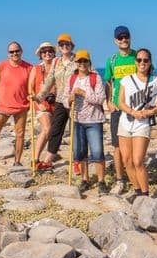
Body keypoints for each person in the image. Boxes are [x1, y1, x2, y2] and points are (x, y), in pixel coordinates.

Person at [117, 48, 157, 200]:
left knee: (138, 160)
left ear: (150, 62)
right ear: (135, 62)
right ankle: (137, 191)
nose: (142, 63)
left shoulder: (156, 81)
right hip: (125, 122)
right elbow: (120, 102)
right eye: (139, 60)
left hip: (142, 124)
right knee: (127, 160)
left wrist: (148, 113)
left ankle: (145, 194)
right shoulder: (127, 79)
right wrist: (132, 112)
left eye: (145, 60)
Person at [64, 50, 107, 195]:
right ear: (76, 63)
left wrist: (83, 93)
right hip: (76, 120)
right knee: (80, 152)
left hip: (94, 120)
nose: (82, 64)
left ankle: (101, 182)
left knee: (97, 152)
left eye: (85, 61)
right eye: (79, 61)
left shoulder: (95, 78)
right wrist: (69, 99)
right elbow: (64, 100)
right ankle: (85, 179)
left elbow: (100, 99)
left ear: (89, 63)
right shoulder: (71, 79)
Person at [0, 41, 32, 171]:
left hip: (21, 107)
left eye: (17, 51)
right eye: (11, 52)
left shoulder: (29, 68)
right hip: (3, 106)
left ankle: (17, 161)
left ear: (21, 52)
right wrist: (2, 96)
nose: (14, 53)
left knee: (20, 134)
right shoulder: (1, 66)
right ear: (8, 54)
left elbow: (33, 86)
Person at [103, 25, 137, 195]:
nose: (124, 40)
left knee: (134, 145)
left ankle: (135, 177)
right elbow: (108, 83)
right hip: (117, 108)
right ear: (115, 41)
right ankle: (119, 179)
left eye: (126, 36)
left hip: (136, 109)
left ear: (130, 37)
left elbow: (148, 79)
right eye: (120, 37)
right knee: (117, 146)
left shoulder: (139, 57)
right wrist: (109, 101)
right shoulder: (112, 60)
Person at [35, 33, 76, 170]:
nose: (65, 46)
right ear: (58, 47)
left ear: (72, 46)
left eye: (67, 44)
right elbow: (49, 81)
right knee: (55, 131)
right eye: (62, 44)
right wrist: (40, 96)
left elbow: (89, 74)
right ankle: (48, 161)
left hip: (75, 102)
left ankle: (78, 162)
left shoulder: (78, 60)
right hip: (60, 101)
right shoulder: (56, 62)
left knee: (76, 132)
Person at [28, 41, 56, 168]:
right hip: (41, 104)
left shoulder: (58, 67)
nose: (47, 53)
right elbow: (30, 89)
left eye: (50, 51)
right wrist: (38, 104)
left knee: (53, 132)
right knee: (46, 128)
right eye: (44, 52)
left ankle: (47, 160)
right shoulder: (36, 69)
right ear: (40, 55)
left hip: (57, 104)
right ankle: (35, 159)